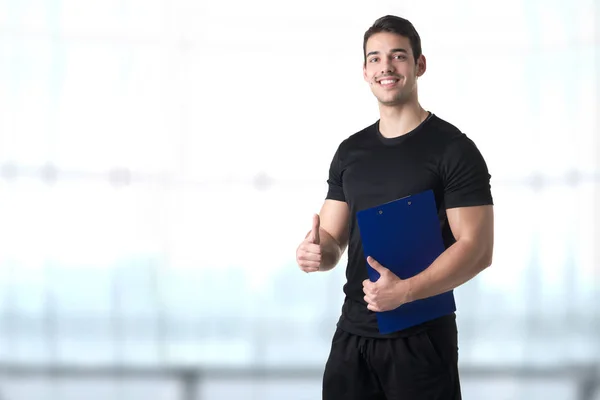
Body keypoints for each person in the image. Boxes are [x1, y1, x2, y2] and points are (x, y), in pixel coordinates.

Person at [295, 15, 494, 400]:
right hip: (352, 336)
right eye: (374, 58)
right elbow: (334, 239)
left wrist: (405, 292)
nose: (385, 67)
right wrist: (316, 252)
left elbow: (478, 249)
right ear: (365, 71)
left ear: (419, 64)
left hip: (420, 338)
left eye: (398, 56)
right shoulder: (350, 151)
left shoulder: (454, 150)